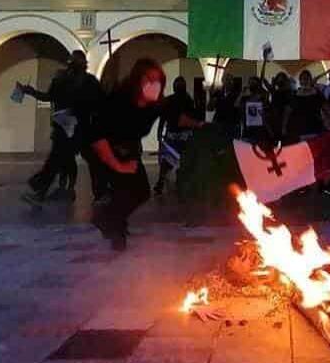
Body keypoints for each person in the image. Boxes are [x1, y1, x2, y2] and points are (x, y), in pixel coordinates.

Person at [84, 58, 203, 250]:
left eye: (158, 81)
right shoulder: (119, 101)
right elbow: (98, 138)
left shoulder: (154, 105)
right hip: (103, 151)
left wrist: (200, 125)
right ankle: (111, 224)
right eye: (149, 80)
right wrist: (118, 165)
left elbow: (176, 117)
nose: (154, 86)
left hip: (127, 152)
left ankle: (111, 221)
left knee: (140, 192)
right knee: (124, 190)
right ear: (137, 81)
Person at [20, 50, 102, 204]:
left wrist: (31, 92)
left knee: (61, 161)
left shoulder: (70, 80)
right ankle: (49, 193)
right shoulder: (76, 80)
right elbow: (99, 104)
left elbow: (49, 97)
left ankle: (96, 193)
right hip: (75, 128)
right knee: (63, 161)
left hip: (76, 128)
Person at [155, 76, 196, 196]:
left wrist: (160, 132)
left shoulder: (188, 100)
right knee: (168, 161)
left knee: (180, 161)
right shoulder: (177, 100)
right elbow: (163, 118)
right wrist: (159, 132)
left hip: (182, 135)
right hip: (174, 134)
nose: (179, 87)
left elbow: (191, 117)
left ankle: (173, 182)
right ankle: (161, 183)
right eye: (179, 84)